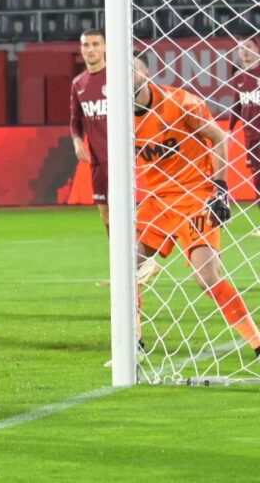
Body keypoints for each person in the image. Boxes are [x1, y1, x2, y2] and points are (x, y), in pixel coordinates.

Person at [133, 51, 260, 357]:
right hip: (157, 201)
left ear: (146, 75)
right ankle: (133, 342)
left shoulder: (181, 103)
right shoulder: (120, 119)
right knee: (124, 265)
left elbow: (218, 138)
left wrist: (219, 189)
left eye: (132, 69)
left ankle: (257, 342)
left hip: (195, 195)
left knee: (206, 277)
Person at [70, 29, 109, 232]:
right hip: (97, 160)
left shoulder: (117, 77)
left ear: (104, 47)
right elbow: (75, 121)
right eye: (86, 45)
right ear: (81, 49)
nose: (91, 49)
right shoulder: (79, 83)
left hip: (122, 158)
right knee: (105, 215)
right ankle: (123, 263)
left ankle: (140, 260)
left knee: (129, 213)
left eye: (95, 44)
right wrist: (77, 141)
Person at [228, 37, 260, 237]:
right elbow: (236, 106)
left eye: (248, 46)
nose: (244, 51)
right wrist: (230, 130)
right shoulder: (239, 78)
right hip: (251, 137)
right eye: (240, 48)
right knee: (257, 179)